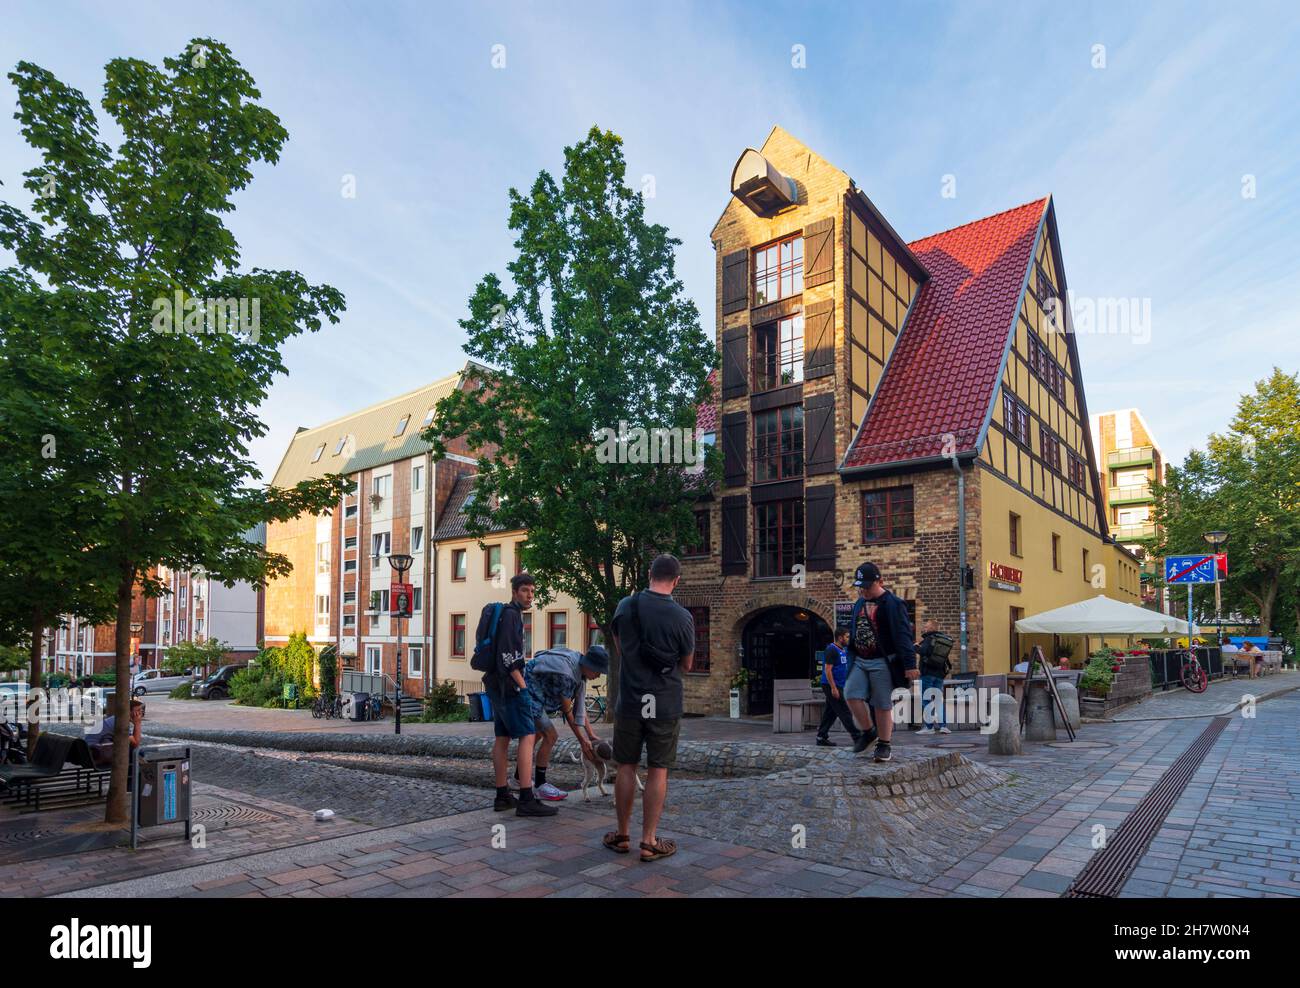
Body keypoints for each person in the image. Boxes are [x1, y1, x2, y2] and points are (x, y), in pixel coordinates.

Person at [603, 554, 695, 862]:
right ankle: (649, 841)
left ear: (648, 573)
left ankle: (622, 836)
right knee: (658, 768)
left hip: (631, 698)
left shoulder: (624, 607)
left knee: (626, 765)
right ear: (676, 580)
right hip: (664, 699)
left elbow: (620, 646)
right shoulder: (682, 617)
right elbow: (687, 663)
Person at [482, 573, 557, 818]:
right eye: (525, 590)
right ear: (514, 592)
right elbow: (510, 659)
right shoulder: (513, 617)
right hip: (510, 686)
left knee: (502, 738)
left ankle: (502, 795)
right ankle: (526, 797)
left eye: (532, 591)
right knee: (528, 735)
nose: (530, 595)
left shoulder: (505, 614)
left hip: (495, 684)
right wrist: (523, 688)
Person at [843, 562, 918, 762]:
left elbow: (903, 634)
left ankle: (884, 745)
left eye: (867, 586)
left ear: (880, 581)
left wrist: (910, 665)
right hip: (859, 659)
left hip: (882, 661)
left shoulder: (893, 603)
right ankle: (868, 732)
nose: (863, 590)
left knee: (881, 704)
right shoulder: (859, 603)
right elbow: (854, 629)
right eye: (860, 586)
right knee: (850, 693)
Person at [515, 644, 609, 800]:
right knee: (551, 736)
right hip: (529, 691)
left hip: (537, 692)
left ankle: (518, 779)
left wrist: (591, 735)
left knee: (537, 735)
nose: (599, 676)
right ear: (590, 666)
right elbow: (568, 711)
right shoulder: (567, 675)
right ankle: (540, 785)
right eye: (598, 671)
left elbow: (580, 708)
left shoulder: (579, 669)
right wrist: (582, 741)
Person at [815, 626, 864, 748]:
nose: (848, 639)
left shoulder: (844, 649)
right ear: (840, 637)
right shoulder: (831, 650)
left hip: (840, 684)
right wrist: (833, 688)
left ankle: (821, 737)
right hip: (831, 685)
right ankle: (857, 737)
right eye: (847, 637)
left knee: (831, 712)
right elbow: (828, 670)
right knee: (844, 710)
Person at [916, 619, 952, 735]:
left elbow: (924, 652)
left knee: (926, 700)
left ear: (931, 628)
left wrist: (915, 647)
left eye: (926, 626)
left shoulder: (929, 639)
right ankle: (943, 726)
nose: (924, 628)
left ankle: (929, 727)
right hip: (939, 675)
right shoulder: (942, 640)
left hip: (927, 673)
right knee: (938, 701)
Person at [87, 698, 144, 768]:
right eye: (138, 710)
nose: (140, 713)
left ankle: (132, 777)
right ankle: (132, 778)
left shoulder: (115, 718)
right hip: (95, 754)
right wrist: (137, 723)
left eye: (141, 710)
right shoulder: (120, 722)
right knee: (137, 752)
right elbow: (135, 743)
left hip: (91, 752)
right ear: (128, 711)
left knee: (135, 752)